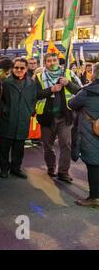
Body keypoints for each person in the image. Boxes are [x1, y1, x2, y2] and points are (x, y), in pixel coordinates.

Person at [35, 54, 81, 183]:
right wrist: (51, 89)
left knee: (66, 144)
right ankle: (51, 167)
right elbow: (36, 94)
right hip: (46, 117)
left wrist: (68, 83)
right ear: (45, 63)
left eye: (54, 60)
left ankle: (63, 172)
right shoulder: (39, 77)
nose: (51, 63)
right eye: (48, 61)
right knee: (47, 145)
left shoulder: (68, 73)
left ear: (58, 61)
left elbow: (79, 91)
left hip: (65, 117)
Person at [0, 58, 37, 179]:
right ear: (12, 68)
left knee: (19, 149)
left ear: (26, 69)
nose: (19, 70)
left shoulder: (31, 83)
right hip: (7, 120)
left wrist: (29, 111)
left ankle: (16, 168)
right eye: (16, 67)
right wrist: (4, 110)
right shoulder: (4, 82)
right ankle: (4, 169)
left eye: (22, 68)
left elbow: (33, 99)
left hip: (22, 121)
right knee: (4, 148)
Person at [68, 63, 99, 207]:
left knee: (93, 164)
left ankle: (94, 197)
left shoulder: (88, 91)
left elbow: (72, 103)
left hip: (91, 132)